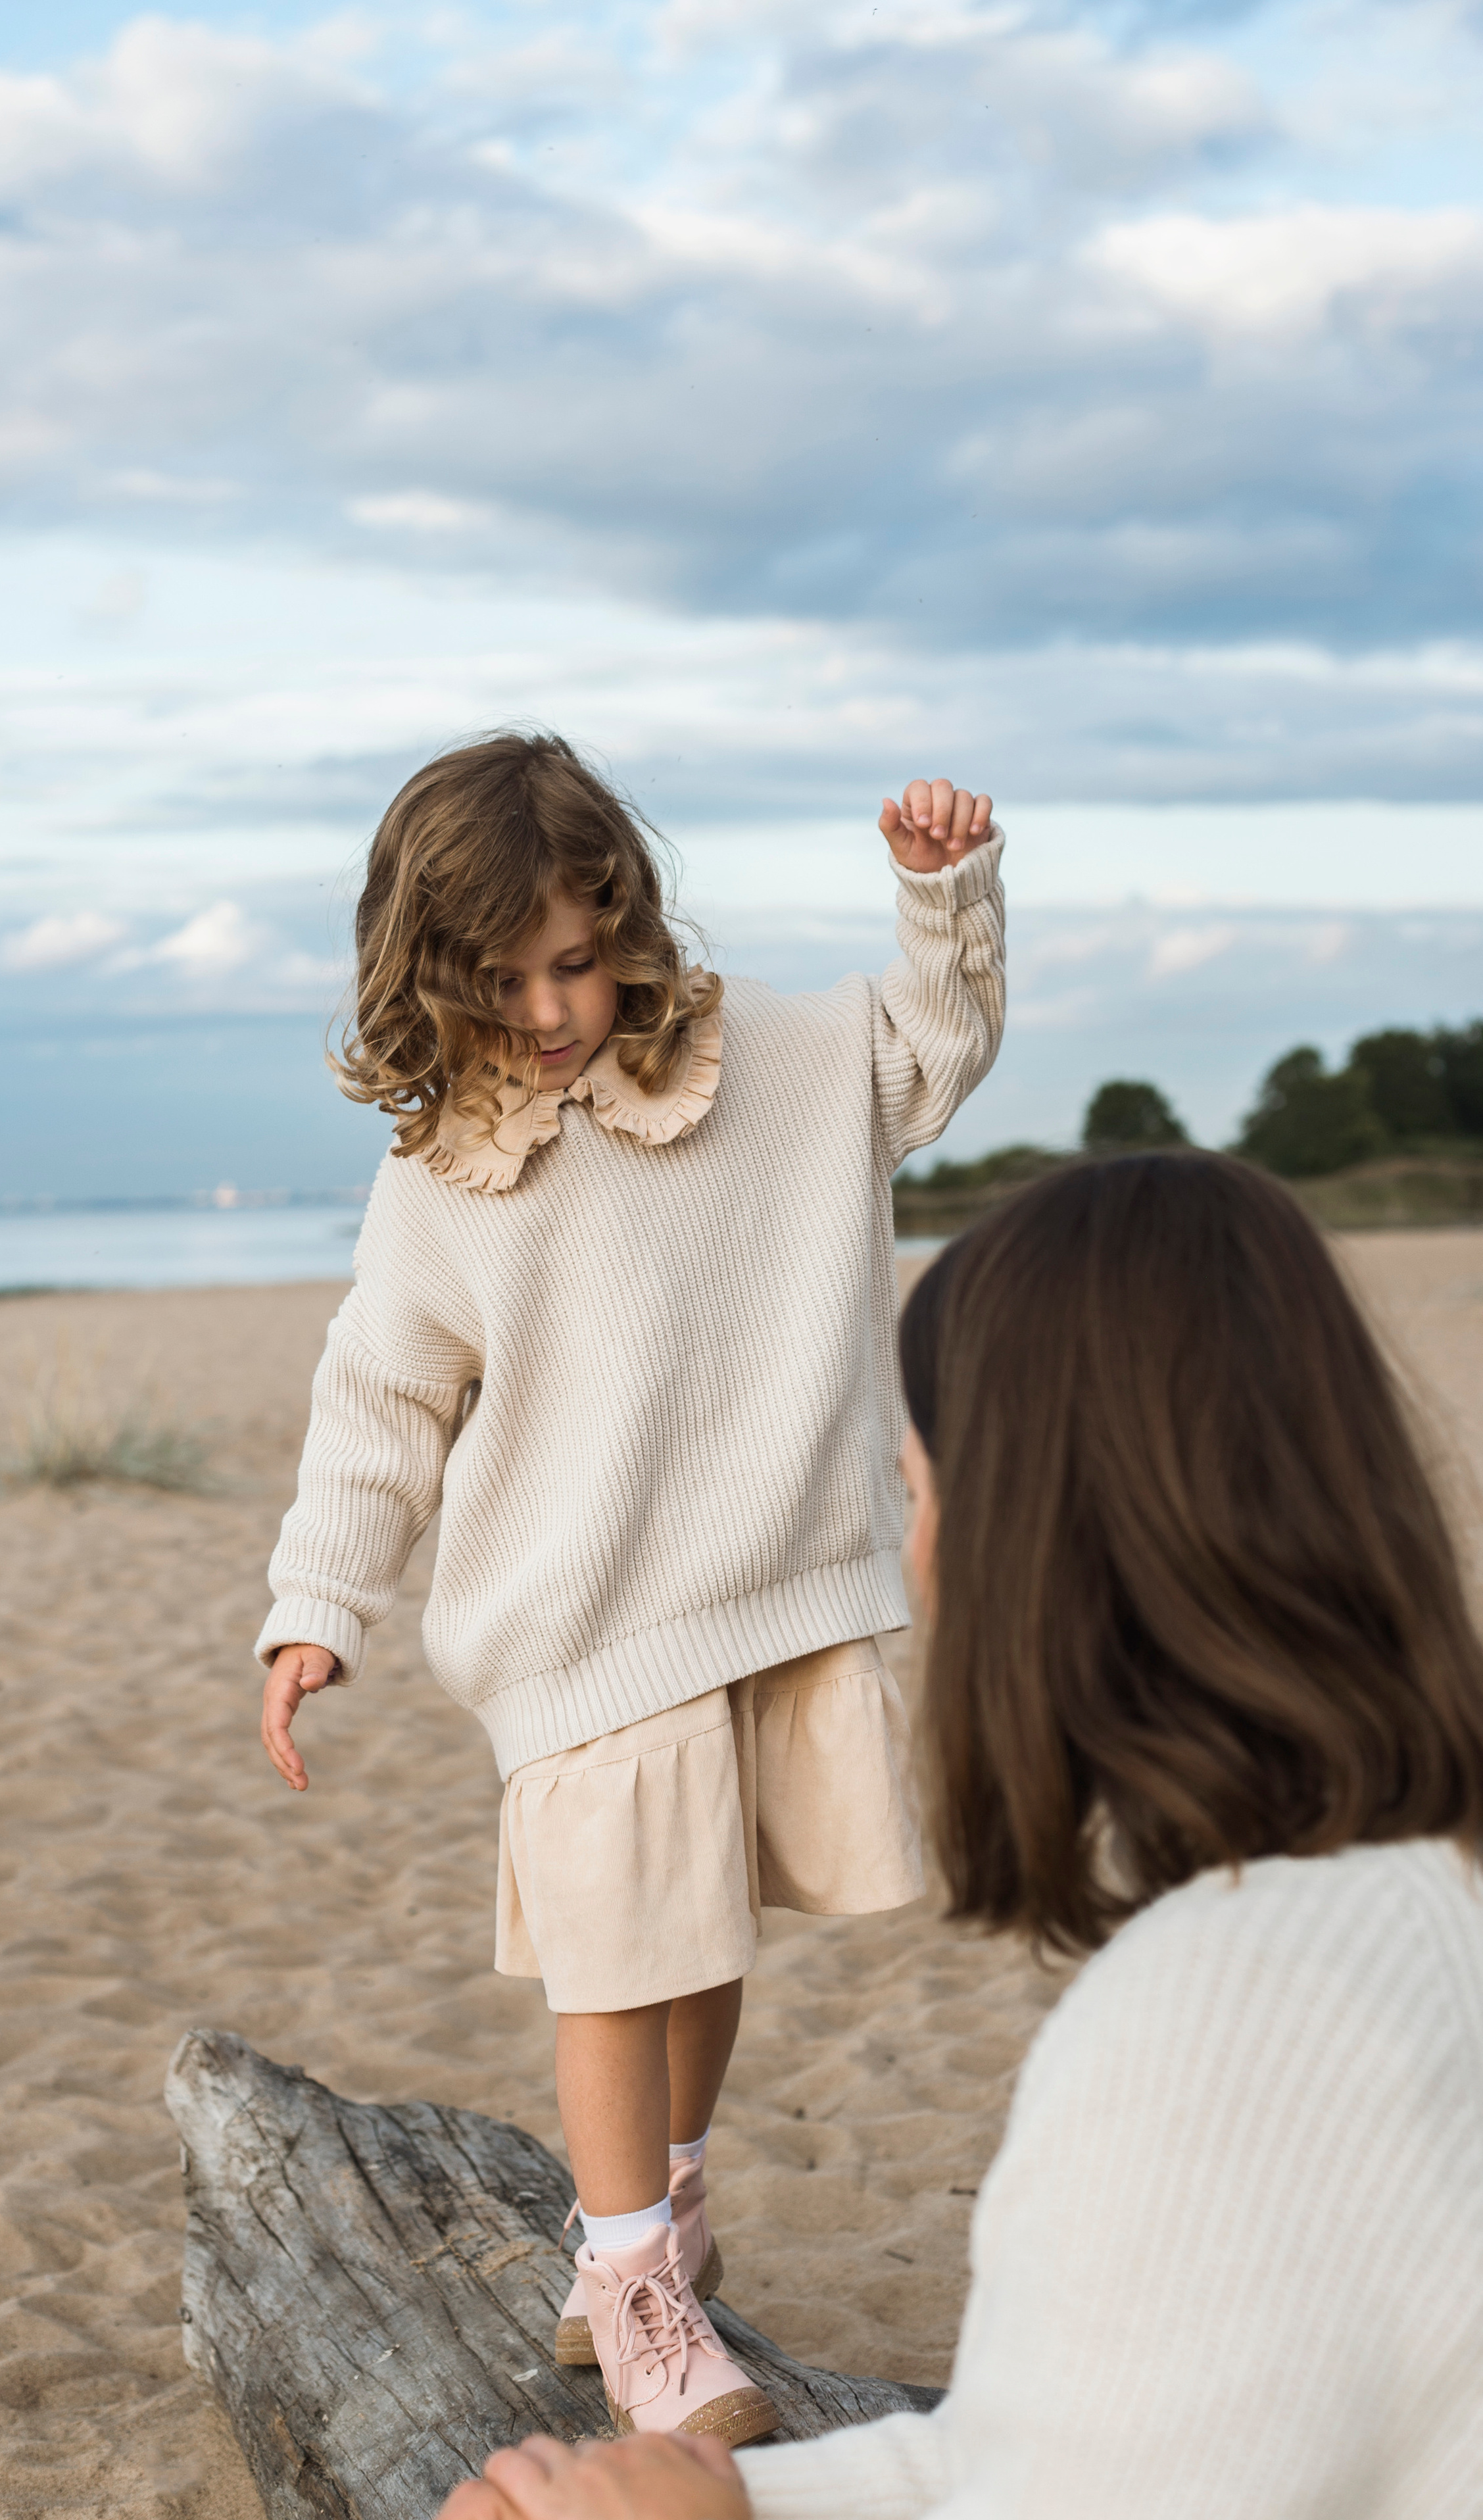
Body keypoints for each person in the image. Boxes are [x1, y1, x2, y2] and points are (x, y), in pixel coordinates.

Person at [440, 1150, 1483, 2518]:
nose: (917, 1554)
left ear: (1028, 1532)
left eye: (919, 1490)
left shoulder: (1225, 2003)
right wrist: (737, 2501)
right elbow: (1050, 2445)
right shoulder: (1406, 1892)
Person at [256, 729, 1006, 2444]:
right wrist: (319, 1604)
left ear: (629, 924)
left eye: (577, 961)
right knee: (615, 1959)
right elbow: (381, 1396)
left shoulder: (774, 1063)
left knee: (707, 1930)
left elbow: (930, 1049)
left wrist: (942, 894)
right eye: (502, 978)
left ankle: (667, 2190)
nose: (549, 1010)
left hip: (763, 1582)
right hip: (577, 1627)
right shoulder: (443, 1171)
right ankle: (629, 2275)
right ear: (426, 976)